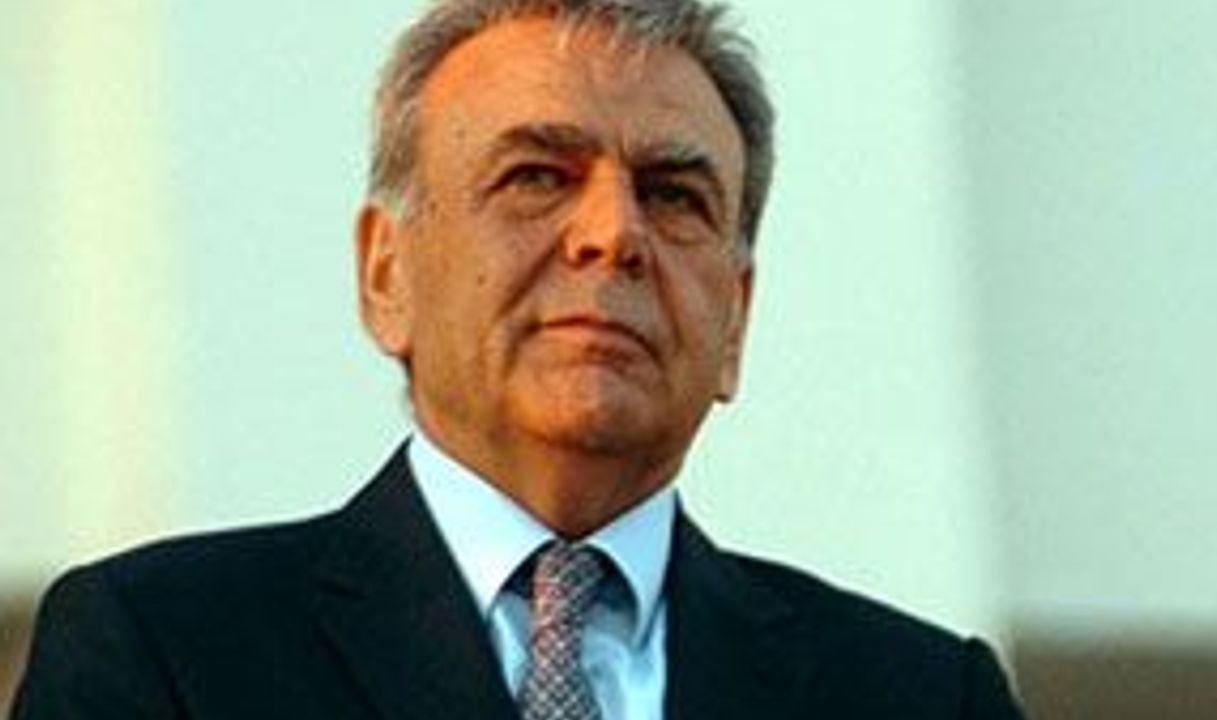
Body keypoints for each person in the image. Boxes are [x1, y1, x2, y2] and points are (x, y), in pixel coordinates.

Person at [12, 0, 1026, 718]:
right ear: (386, 274)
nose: (612, 235)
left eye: (673, 196)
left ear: (735, 322)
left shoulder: (921, 696)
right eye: (537, 176)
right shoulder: (168, 652)